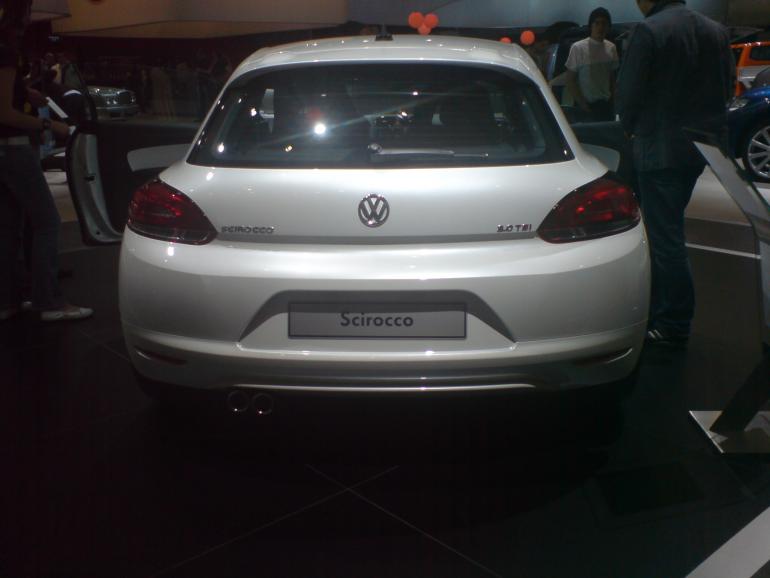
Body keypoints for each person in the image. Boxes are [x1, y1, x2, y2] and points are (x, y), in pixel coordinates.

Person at [615, 0, 733, 345]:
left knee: (665, 239)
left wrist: (629, 129)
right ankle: (662, 310)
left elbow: (628, 92)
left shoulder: (648, 31)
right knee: (668, 230)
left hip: (659, 149)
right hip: (699, 148)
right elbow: (727, 86)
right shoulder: (715, 31)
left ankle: (673, 323)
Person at [0, 0, 92, 322]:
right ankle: (48, 302)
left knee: (8, 227)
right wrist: (50, 125)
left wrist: (25, 91)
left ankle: (8, 300)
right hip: (13, 148)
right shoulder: (6, 51)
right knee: (47, 222)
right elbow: (4, 113)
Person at [564, 7, 619, 121]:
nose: (600, 27)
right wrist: (583, 104)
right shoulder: (578, 48)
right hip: (587, 106)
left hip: (606, 105)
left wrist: (614, 101)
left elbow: (612, 78)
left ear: (608, 27)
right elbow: (570, 80)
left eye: (604, 24)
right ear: (591, 26)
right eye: (597, 23)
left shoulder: (611, 48)